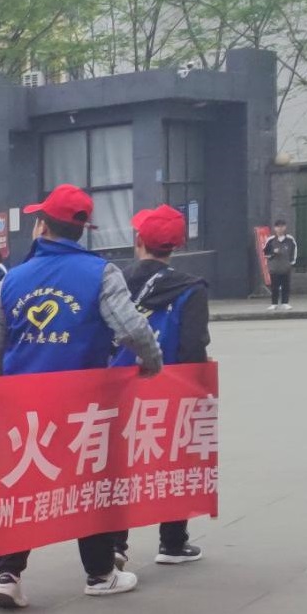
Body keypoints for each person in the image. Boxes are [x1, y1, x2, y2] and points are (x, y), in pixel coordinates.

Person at [0, 185, 164, 607]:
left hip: (25, 403)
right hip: (83, 403)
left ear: (42, 227)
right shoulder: (101, 273)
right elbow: (132, 327)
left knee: (23, 483)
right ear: (81, 230)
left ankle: (9, 574)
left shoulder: (13, 279)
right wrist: (151, 362)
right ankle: (99, 573)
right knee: (89, 482)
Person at [106, 205, 209, 566]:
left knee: (119, 464)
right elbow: (193, 346)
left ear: (138, 241)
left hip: (118, 386)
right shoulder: (191, 288)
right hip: (170, 387)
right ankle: (172, 543)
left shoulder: (114, 282)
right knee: (174, 459)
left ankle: (115, 544)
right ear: (176, 246)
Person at [263, 217, 298, 311]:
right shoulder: (270, 240)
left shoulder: (290, 239)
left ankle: (285, 303)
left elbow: (294, 251)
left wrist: (291, 263)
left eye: (282, 226)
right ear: (275, 228)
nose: (280, 229)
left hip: (286, 267)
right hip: (274, 268)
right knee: (274, 286)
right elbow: (265, 252)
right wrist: (273, 253)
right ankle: (274, 303)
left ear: (285, 227)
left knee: (286, 286)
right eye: (278, 227)